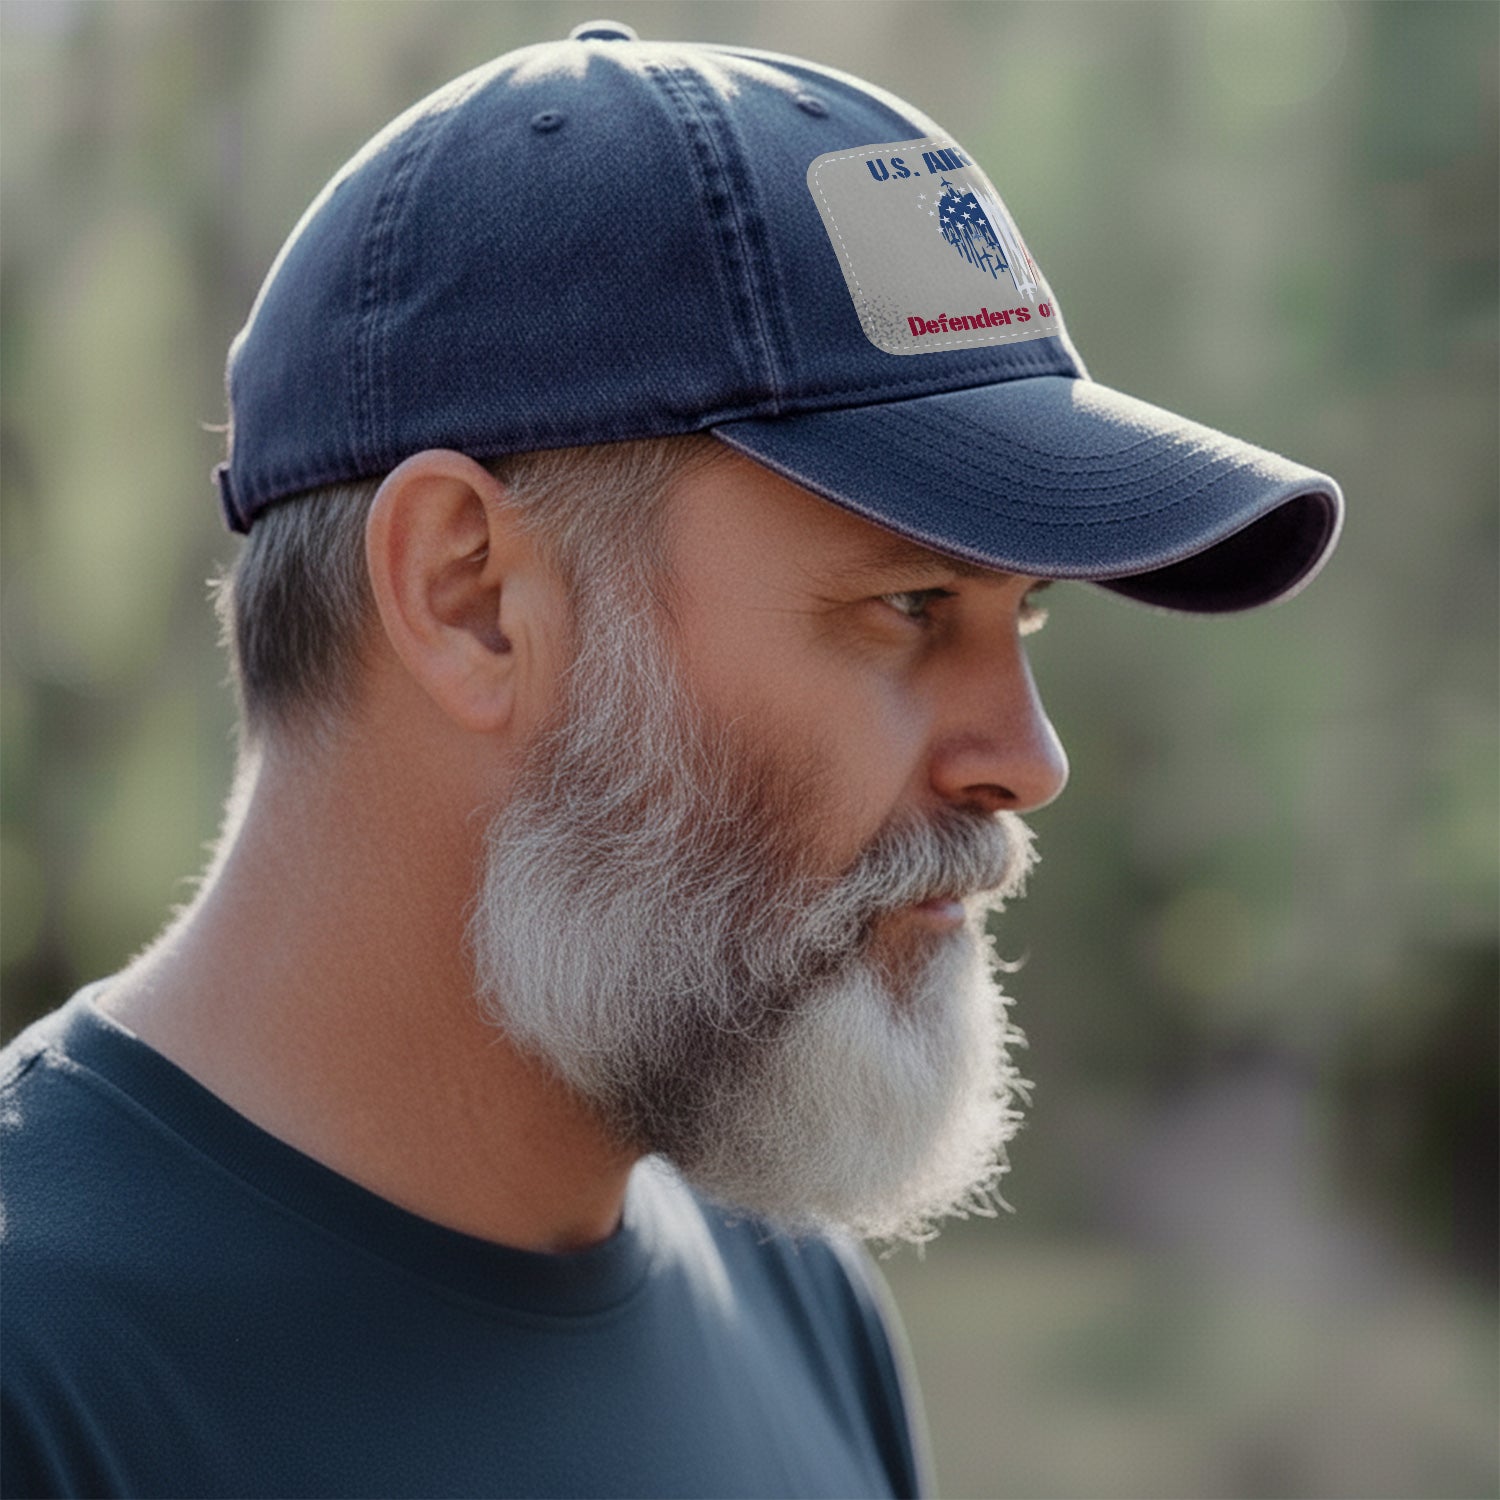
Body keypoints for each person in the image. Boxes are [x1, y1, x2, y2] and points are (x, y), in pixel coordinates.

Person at [0, 21, 1343, 1500]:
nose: (1027, 761)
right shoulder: (42, 1369)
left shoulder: (797, 1302)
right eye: (908, 605)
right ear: (469, 597)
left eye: (1021, 615)